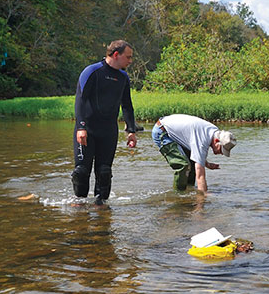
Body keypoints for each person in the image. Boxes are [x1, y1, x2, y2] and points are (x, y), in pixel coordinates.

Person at [72, 40, 138, 206]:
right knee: (81, 172)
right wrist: (81, 127)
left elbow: (127, 105)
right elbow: (80, 100)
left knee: (104, 172)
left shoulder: (123, 77)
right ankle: (80, 209)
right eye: (128, 57)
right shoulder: (92, 71)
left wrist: (131, 131)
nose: (130, 61)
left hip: (108, 131)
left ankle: (101, 211)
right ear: (116, 54)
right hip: (87, 130)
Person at [151, 114, 236, 194]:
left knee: (192, 163)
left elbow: (197, 153)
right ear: (217, 141)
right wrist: (203, 197)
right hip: (163, 132)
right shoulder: (203, 140)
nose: (221, 153)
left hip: (171, 130)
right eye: (221, 150)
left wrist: (207, 164)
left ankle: (189, 190)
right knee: (183, 165)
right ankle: (178, 195)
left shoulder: (213, 132)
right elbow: (200, 176)